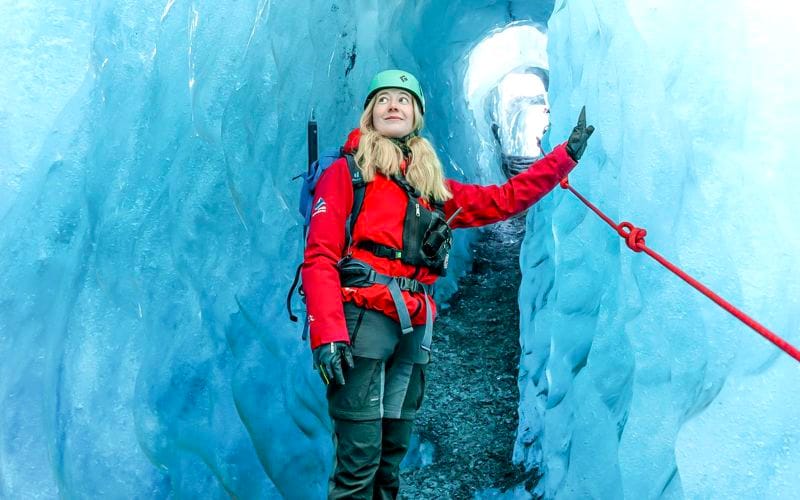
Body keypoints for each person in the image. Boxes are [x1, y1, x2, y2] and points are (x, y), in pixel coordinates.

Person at [301, 69, 594, 499]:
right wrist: (327, 334)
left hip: (413, 328)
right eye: (383, 100)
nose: (393, 106)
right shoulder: (348, 173)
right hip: (362, 323)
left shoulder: (429, 187)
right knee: (358, 462)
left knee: (390, 457)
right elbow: (320, 257)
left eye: (403, 100)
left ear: (416, 115)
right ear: (369, 114)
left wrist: (563, 157)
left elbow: (503, 199)